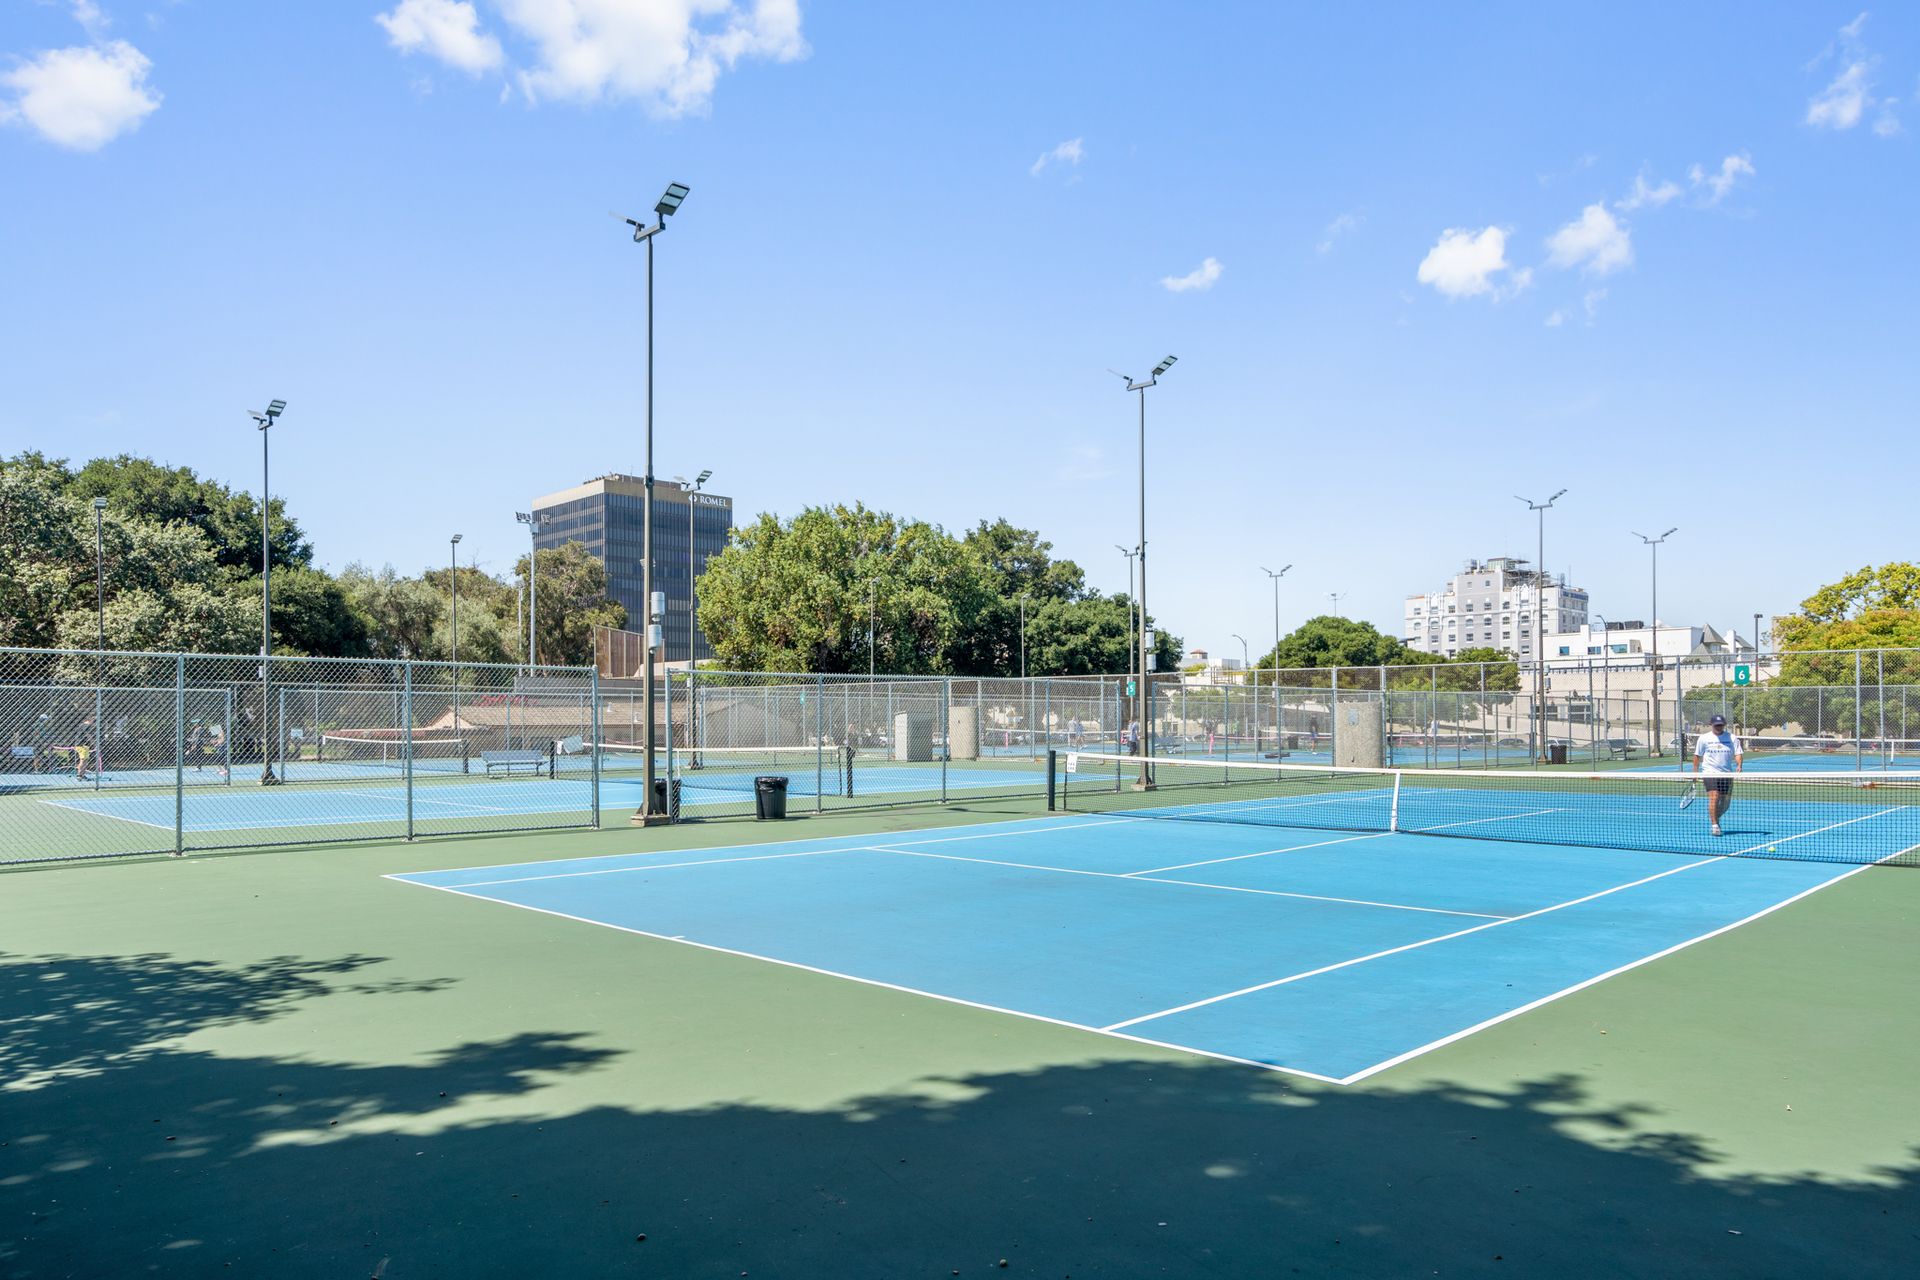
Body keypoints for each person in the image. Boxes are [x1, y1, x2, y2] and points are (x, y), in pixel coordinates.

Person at [1692, 713, 1743, 837]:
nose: (1719, 727)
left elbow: (1738, 753)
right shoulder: (1704, 738)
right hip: (1710, 772)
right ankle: (1715, 825)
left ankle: (1715, 816)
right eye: (1716, 725)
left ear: (1724, 725)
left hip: (1726, 773)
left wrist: (1739, 765)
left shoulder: (1732, 738)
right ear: (1712, 725)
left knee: (1725, 803)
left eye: (1721, 725)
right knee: (1714, 797)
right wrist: (1695, 772)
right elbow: (1697, 756)